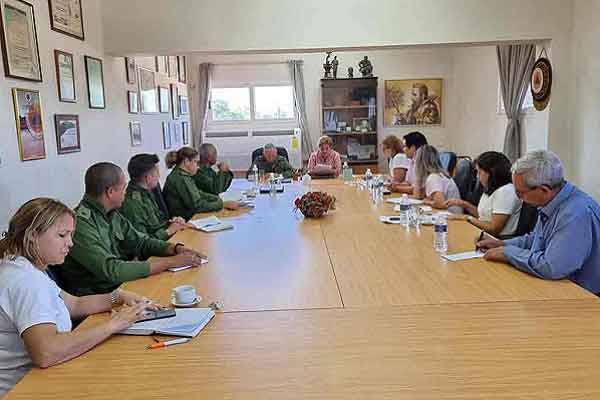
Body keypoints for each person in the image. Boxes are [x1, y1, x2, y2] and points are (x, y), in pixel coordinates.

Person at [0, 198, 157, 396]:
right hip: (25, 389)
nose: (71, 243)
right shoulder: (26, 282)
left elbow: (74, 304)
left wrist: (118, 296)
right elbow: (46, 352)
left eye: (71, 235)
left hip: (42, 378)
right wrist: (114, 324)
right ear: (32, 235)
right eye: (62, 235)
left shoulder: (23, 266)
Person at [57, 162, 205, 296]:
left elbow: (141, 242)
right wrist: (171, 262)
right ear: (110, 192)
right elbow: (112, 270)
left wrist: (174, 249)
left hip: (122, 287)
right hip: (99, 297)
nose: (125, 193)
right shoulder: (80, 224)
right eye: (123, 188)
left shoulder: (111, 214)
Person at [477, 150, 600, 294]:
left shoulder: (575, 213)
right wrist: (502, 243)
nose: (518, 198)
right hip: (558, 286)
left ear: (544, 189)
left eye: (520, 193)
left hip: (581, 296)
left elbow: (552, 267)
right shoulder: (553, 201)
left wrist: (507, 253)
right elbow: (536, 239)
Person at [445, 151, 522, 236]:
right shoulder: (490, 189)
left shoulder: (506, 191)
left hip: (498, 240)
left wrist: (467, 218)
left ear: (491, 173)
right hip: (484, 234)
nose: (477, 176)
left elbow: (494, 228)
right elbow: (483, 217)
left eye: (479, 172)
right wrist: (463, 204)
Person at [120, 154, 188, 240]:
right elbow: (142, 242)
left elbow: (158, 222)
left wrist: (173, 222)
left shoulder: (147, 193)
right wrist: (169, 231)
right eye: (157, 172)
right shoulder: (132, 204)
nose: (159, 176)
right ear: (148, 178)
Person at [164, 147, 239, 220]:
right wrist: (222, 204)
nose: (197, 166)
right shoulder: (180, 178)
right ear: (186, 161)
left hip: (188, 217)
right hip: (184, 220)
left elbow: (199, 193)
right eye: (195, 162)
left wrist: (216, 199)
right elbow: (197, 206)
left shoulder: (183, 175)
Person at [413, 145, 463, 214]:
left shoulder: (433, 178)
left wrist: (427, 202)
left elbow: (441, 204)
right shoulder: (436, 175)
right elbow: (417, 196)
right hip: (449, 214)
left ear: (420, 162)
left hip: (452, 216)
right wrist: (418, 177)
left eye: (415, 160)